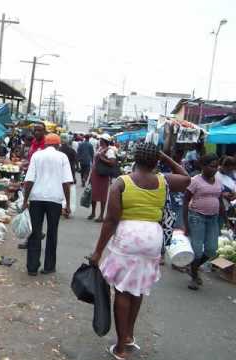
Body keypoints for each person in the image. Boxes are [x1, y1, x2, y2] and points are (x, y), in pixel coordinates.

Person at [90, 143, 189, 359]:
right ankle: (128, 336)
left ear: (135, 158)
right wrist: (165, 157)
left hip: (128, 237)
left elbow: (111, 220)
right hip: (152, 238)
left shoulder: (122, 182)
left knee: (123, 291)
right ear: (156, 161)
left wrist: (98, 251)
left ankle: (121, 347)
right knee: (138, 288)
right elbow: (186, 178)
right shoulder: (164, 180)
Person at [22, 134, 73, 276]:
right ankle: (49, 266)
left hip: (36, 198)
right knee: (52, 232)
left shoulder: (37, 156)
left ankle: (32, 267)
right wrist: (67, 204)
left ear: (45, 144)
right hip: (55, 199)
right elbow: (66, 183)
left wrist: (25, 200)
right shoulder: (62, 157)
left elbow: (29, 180)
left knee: (35, 232)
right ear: (58, 145)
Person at [184, 153, 224, 291]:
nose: (215, 169)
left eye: (216, 166)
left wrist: (224, 220)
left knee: (212, 249)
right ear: (203, 166)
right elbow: (185, 201)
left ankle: (193, 267)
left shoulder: (218, 181)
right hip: (197, 218)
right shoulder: (195, 180)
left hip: (213, 218)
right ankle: (194, 276)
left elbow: (220, 200)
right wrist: (185, 224)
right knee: (197, 251)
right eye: (212, 166)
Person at [88, 134, 116, 222]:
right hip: (95, 174)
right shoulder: (100, 149)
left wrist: (102, 158)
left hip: (103, 176)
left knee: (103, 196)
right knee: (93, 194)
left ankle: (101, 215)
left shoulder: (109, 151)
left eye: (101, 140)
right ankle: (93, 213)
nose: (99, 141)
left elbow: (112, 162)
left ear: (104, 141)